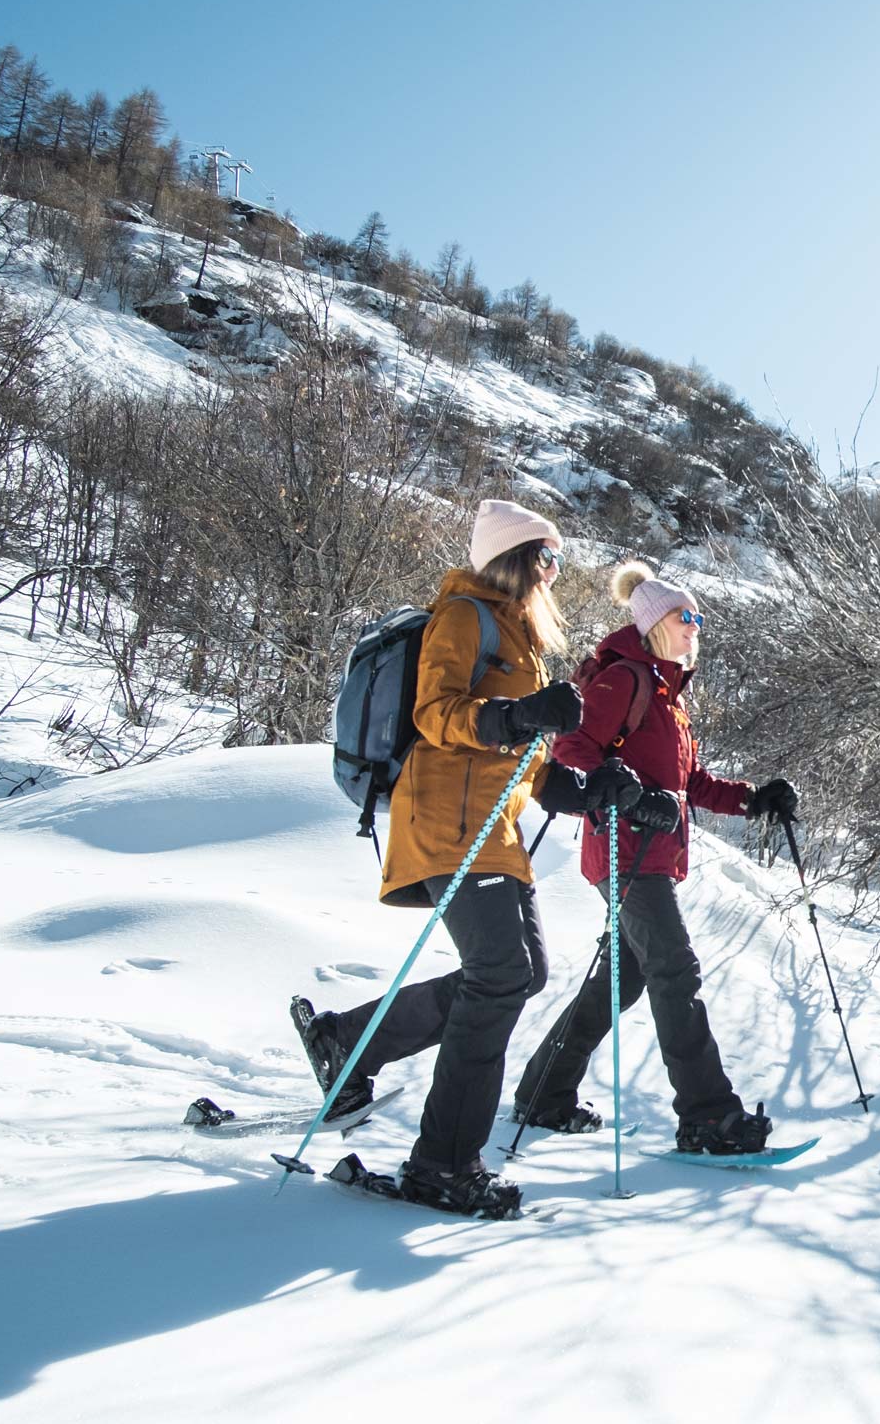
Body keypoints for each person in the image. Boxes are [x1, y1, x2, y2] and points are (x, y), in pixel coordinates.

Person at [289, 499, 584, 1219]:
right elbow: (436, 715)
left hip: (496, 830)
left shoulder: (521, 641)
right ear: (514, 559)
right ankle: (443, 1165)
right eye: (547, 557)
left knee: (523, 975)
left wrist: (580, 787)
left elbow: (522, 756)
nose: (554, 572)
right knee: (499, 974)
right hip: (448, 823)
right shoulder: (465, 615)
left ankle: (346, 1041)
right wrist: (520, 716)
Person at [512, 559, 798, 1155]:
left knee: (622, 980)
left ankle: (544, 1092)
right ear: (652, 624)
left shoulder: (666, 695)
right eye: (684, 616)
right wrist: (628, 793)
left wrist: (754, 799)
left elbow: (690, 783)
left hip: (649, 852)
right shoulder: (625, 679)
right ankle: (707, 1116)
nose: (695, 626)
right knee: (674, 970)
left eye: (697, 617)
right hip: (622, 850)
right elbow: (570, 747)